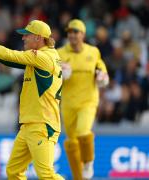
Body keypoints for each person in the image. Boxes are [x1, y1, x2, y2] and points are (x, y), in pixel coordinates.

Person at [0, 19, 64, 180]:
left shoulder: (42, 57)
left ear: (39, 38)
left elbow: (9, 55)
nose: (23, 38)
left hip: (42, 125)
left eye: (27, 35)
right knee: (13, 171)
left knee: (46, 174)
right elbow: (8, 59)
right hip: (29, 125)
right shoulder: (41, 58)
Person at [57, 19, 109, 180]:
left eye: (75, 32)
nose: (72, 35)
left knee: (83, 132)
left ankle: (88, 162)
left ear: (83, 35)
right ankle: (79, 177)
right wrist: (60, 74)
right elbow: (52, 75)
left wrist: (102, 78)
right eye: (70, 32)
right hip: (68, 103)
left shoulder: (93, 52)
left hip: (88, 101)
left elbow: (101, 71)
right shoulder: (59, 53)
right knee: (72, 142)